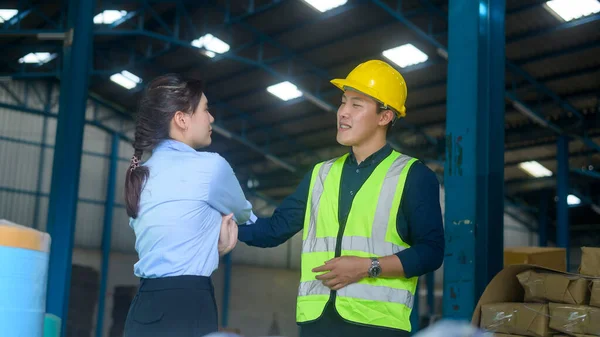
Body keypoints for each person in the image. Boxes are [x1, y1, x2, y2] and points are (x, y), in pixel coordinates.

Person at [238, 60, 445, 337]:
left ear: (385, 117)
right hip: (317, 324)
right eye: (343, 102)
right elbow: (272, 230)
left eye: (356, 105)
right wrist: (222, 222)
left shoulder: (413, 175)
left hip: (378, 327)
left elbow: (431, 252)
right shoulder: (320, 175)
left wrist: (367, 267)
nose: (343, 113)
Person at [122, 73, 254, 337]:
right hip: (188, 304)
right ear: (182, 119)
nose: (211, 118)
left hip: (142, 308)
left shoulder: (141, 175)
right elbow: (242, 214)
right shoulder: (211, 167)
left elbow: (171, 234)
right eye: (205, 110)